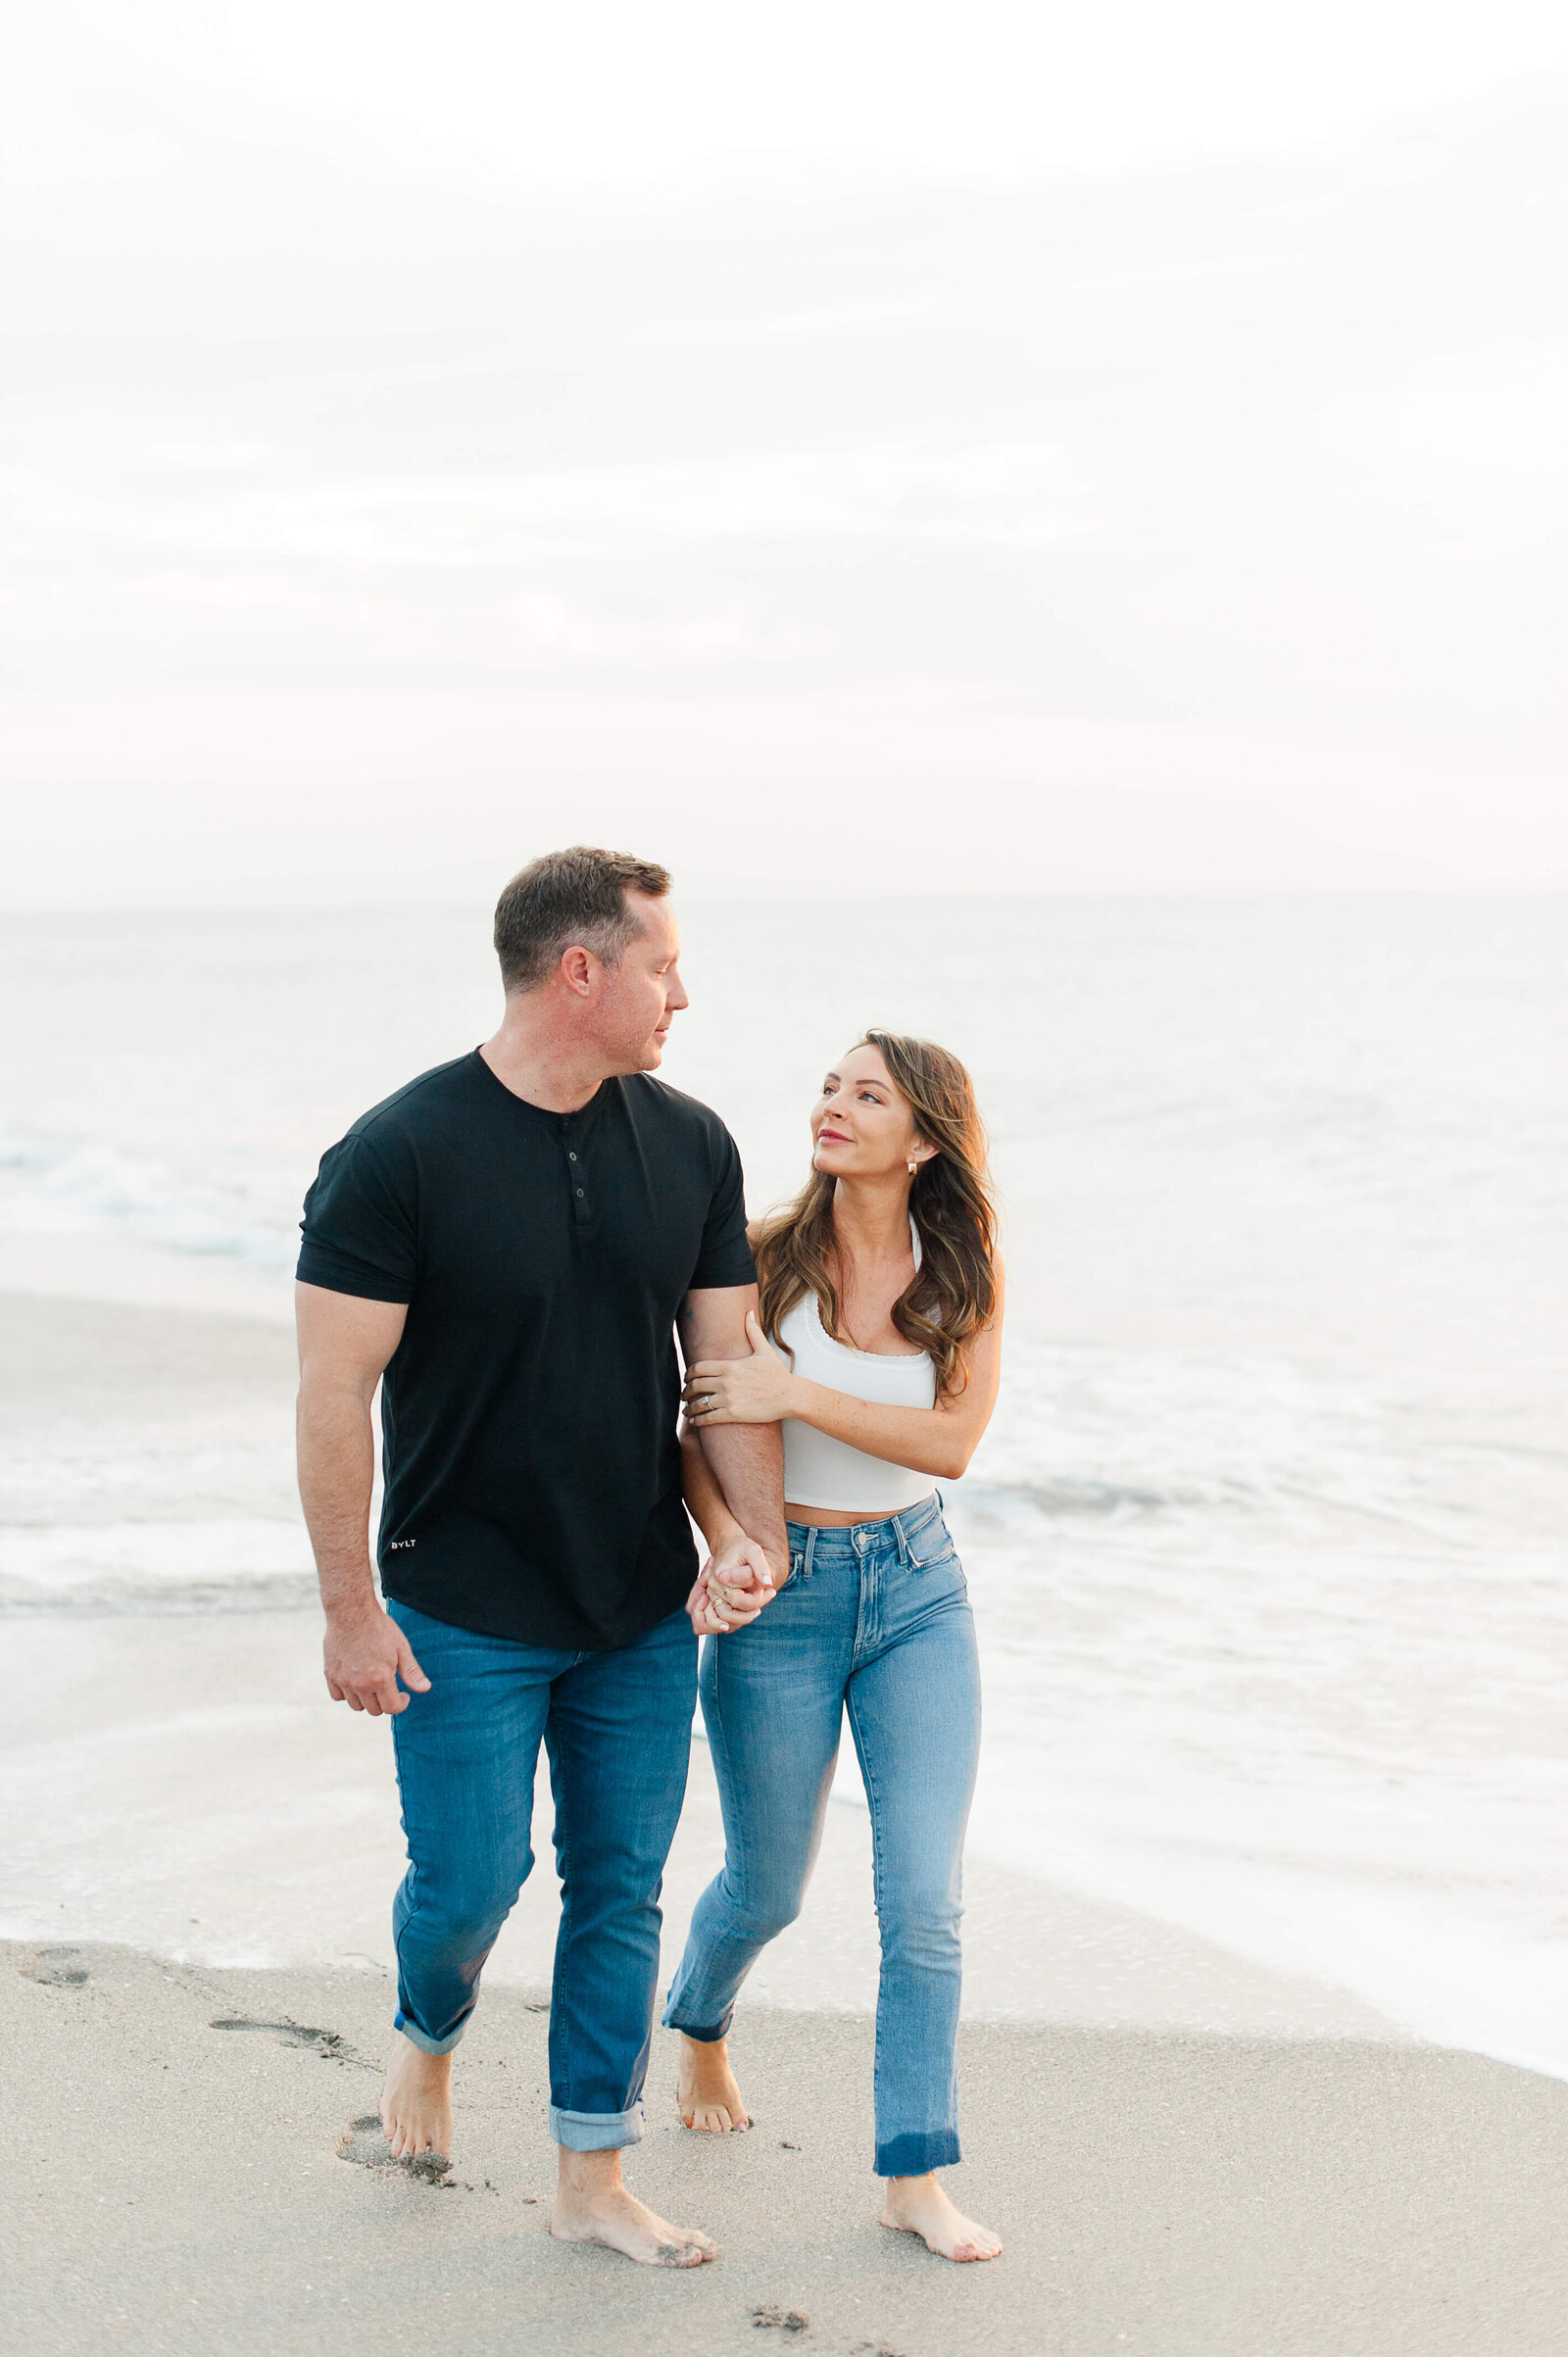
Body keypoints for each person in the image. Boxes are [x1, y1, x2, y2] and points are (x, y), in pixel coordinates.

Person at [293, 847, 786, 2269]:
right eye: (661, 965)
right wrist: (349, 1608)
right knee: (467, 1884)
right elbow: (333, 1398)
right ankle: (427, 2032)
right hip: (460, 1601)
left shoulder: (691, 1144)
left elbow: (724, 1364)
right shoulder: (397, 1154)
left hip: (632, 1597)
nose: (681, 992)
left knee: (619, 1883)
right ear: (583, 971)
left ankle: (589, 2172)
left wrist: (745, 1539)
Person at [668, 1029, 1005, 2265]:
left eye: (868, 1094)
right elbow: (694, 1431)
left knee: (924, 1900)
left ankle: (914, 2174)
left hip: (918, 1587)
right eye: (827, 1085)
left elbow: (954, 1443)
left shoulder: (962, 1275)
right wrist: (725, 1544)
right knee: (767, 1886)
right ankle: (697, 2019)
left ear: (922, 1137)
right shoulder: (758, 1260)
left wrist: (798, 1392)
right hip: (784, 1595)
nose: (833, 1106)